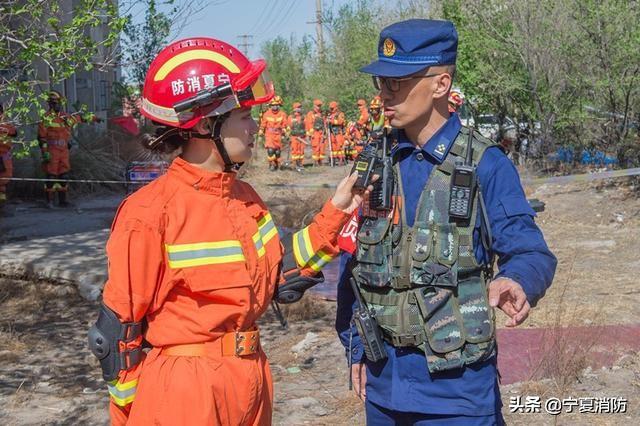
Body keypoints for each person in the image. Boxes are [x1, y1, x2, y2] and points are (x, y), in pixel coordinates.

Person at [88, 37, 370, 426]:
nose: (255, 126)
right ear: (206, 123)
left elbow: (276, 273)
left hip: (250, 377)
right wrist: (132, 413)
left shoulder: (245, 198)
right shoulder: (151, 213)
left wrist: (336, 212)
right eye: (244, 116)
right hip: (185, 393)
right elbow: (116, 332)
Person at [335, 19, 557, 424]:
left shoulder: (485, 165)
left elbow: (530, 251)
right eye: (381, 82)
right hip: (384, 390)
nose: (385, 93)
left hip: (457, 396)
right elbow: (355, 265)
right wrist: (355, 348)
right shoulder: (374, 162)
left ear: (440, 85)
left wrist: (518, 279)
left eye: (398, 82)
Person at [38, 90, 101, 207]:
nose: (56, 105)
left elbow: (80, 118)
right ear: (50, 104)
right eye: (53, 103)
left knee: (64, 175)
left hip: (64, 151)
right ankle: (49, 201)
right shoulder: (46, 119)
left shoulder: (65, 117)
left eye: (57, 103)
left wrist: (95, 118)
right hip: (52, 151)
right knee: (51, 176)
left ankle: (63, 201)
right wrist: (45, 152)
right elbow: (41, 138)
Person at [259, 95, 288, 171]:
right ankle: (271, 164)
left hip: (278, 135)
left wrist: (285, 131)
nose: (275, 107)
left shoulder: (283, 114)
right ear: (270, 106)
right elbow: (263, 124)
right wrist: (261, 130)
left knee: (277, 152)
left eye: (276, 105)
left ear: (279, 105)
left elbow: (285, 124)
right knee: (270, 150)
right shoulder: (266, 114)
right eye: (273, 105)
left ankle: (277, 163)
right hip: (269, 135)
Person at [0, 103, 17, 205]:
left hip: (4, 157)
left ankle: (2, 206)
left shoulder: (6, 124)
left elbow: (14, 133)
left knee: (3, 182)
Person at [287, 102, 307, 172]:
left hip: (302, 137)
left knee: (301, 151)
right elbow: (288, 127)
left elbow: (306, 126)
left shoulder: (303, 117)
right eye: (297, 107)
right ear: (294, 108)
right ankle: (295, 163)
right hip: (294, 137)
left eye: (300, 107)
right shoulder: (290, 117)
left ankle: (300, 163)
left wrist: (307, 134)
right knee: (295, 150)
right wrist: (287, 135)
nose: (299, 109)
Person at [305, 99, 326, 166]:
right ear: (314, 106)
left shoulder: (322, 114)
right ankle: (315, 161)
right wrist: (311, 134)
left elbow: (325, 123)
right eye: (318, 106)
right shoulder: (311, 114)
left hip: (321, 132)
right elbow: (308, 124)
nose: (319, 107)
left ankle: (320, 161)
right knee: (316, 147)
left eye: (320, 106)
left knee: (322, 147)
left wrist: (325, 132)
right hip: (315, 132)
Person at [327, 101, 346, 165]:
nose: (331, 109)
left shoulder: (340, 114)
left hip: (338, 132)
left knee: (339, 146)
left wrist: (331, 121)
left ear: (336, 107)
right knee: (333, 146)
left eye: (332, 108)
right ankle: (334, 159)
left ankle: (341, 159)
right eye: (330, 108)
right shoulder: (329, 115)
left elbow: (340, 122)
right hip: (331, 132)